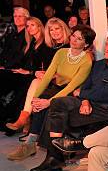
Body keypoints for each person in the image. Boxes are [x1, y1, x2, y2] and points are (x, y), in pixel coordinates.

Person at [24, 33, 108, 171]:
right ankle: (55, 156)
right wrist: (85, 100)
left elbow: (105, 94)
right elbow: (86, 84)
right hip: (89, 103)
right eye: (107, 44)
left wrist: (83, 94)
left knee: (57, 114)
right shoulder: (100, 64)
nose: (107, 48)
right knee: (57, 102)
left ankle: (53, 158)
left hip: (105, 111)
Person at [7, 25, 95, 162]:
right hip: (57, 87)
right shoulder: (61, 53)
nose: (74, 40)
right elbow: (48, 76)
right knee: (41, 98)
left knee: (46, 100)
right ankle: (31, 142)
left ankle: (31, 143)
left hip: (72, 92)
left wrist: (48, 102)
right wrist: (35, 98)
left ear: (86, 44)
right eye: (73, 36)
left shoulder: (86, 61)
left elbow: (72, 86)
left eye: (80, 39)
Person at [5, 18, 71, 132]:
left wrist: (48, 75)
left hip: (64, 81)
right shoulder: (50, 47)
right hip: (49, 79)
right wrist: (40, 73)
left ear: (63, 29)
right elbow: (46, 67)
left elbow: (69, 70)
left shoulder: (69, 46)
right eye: (51, 30)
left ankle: (25, 119)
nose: (54, 32)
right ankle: (25, 117)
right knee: (34, 81)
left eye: (57, 29)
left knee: (33, 82)